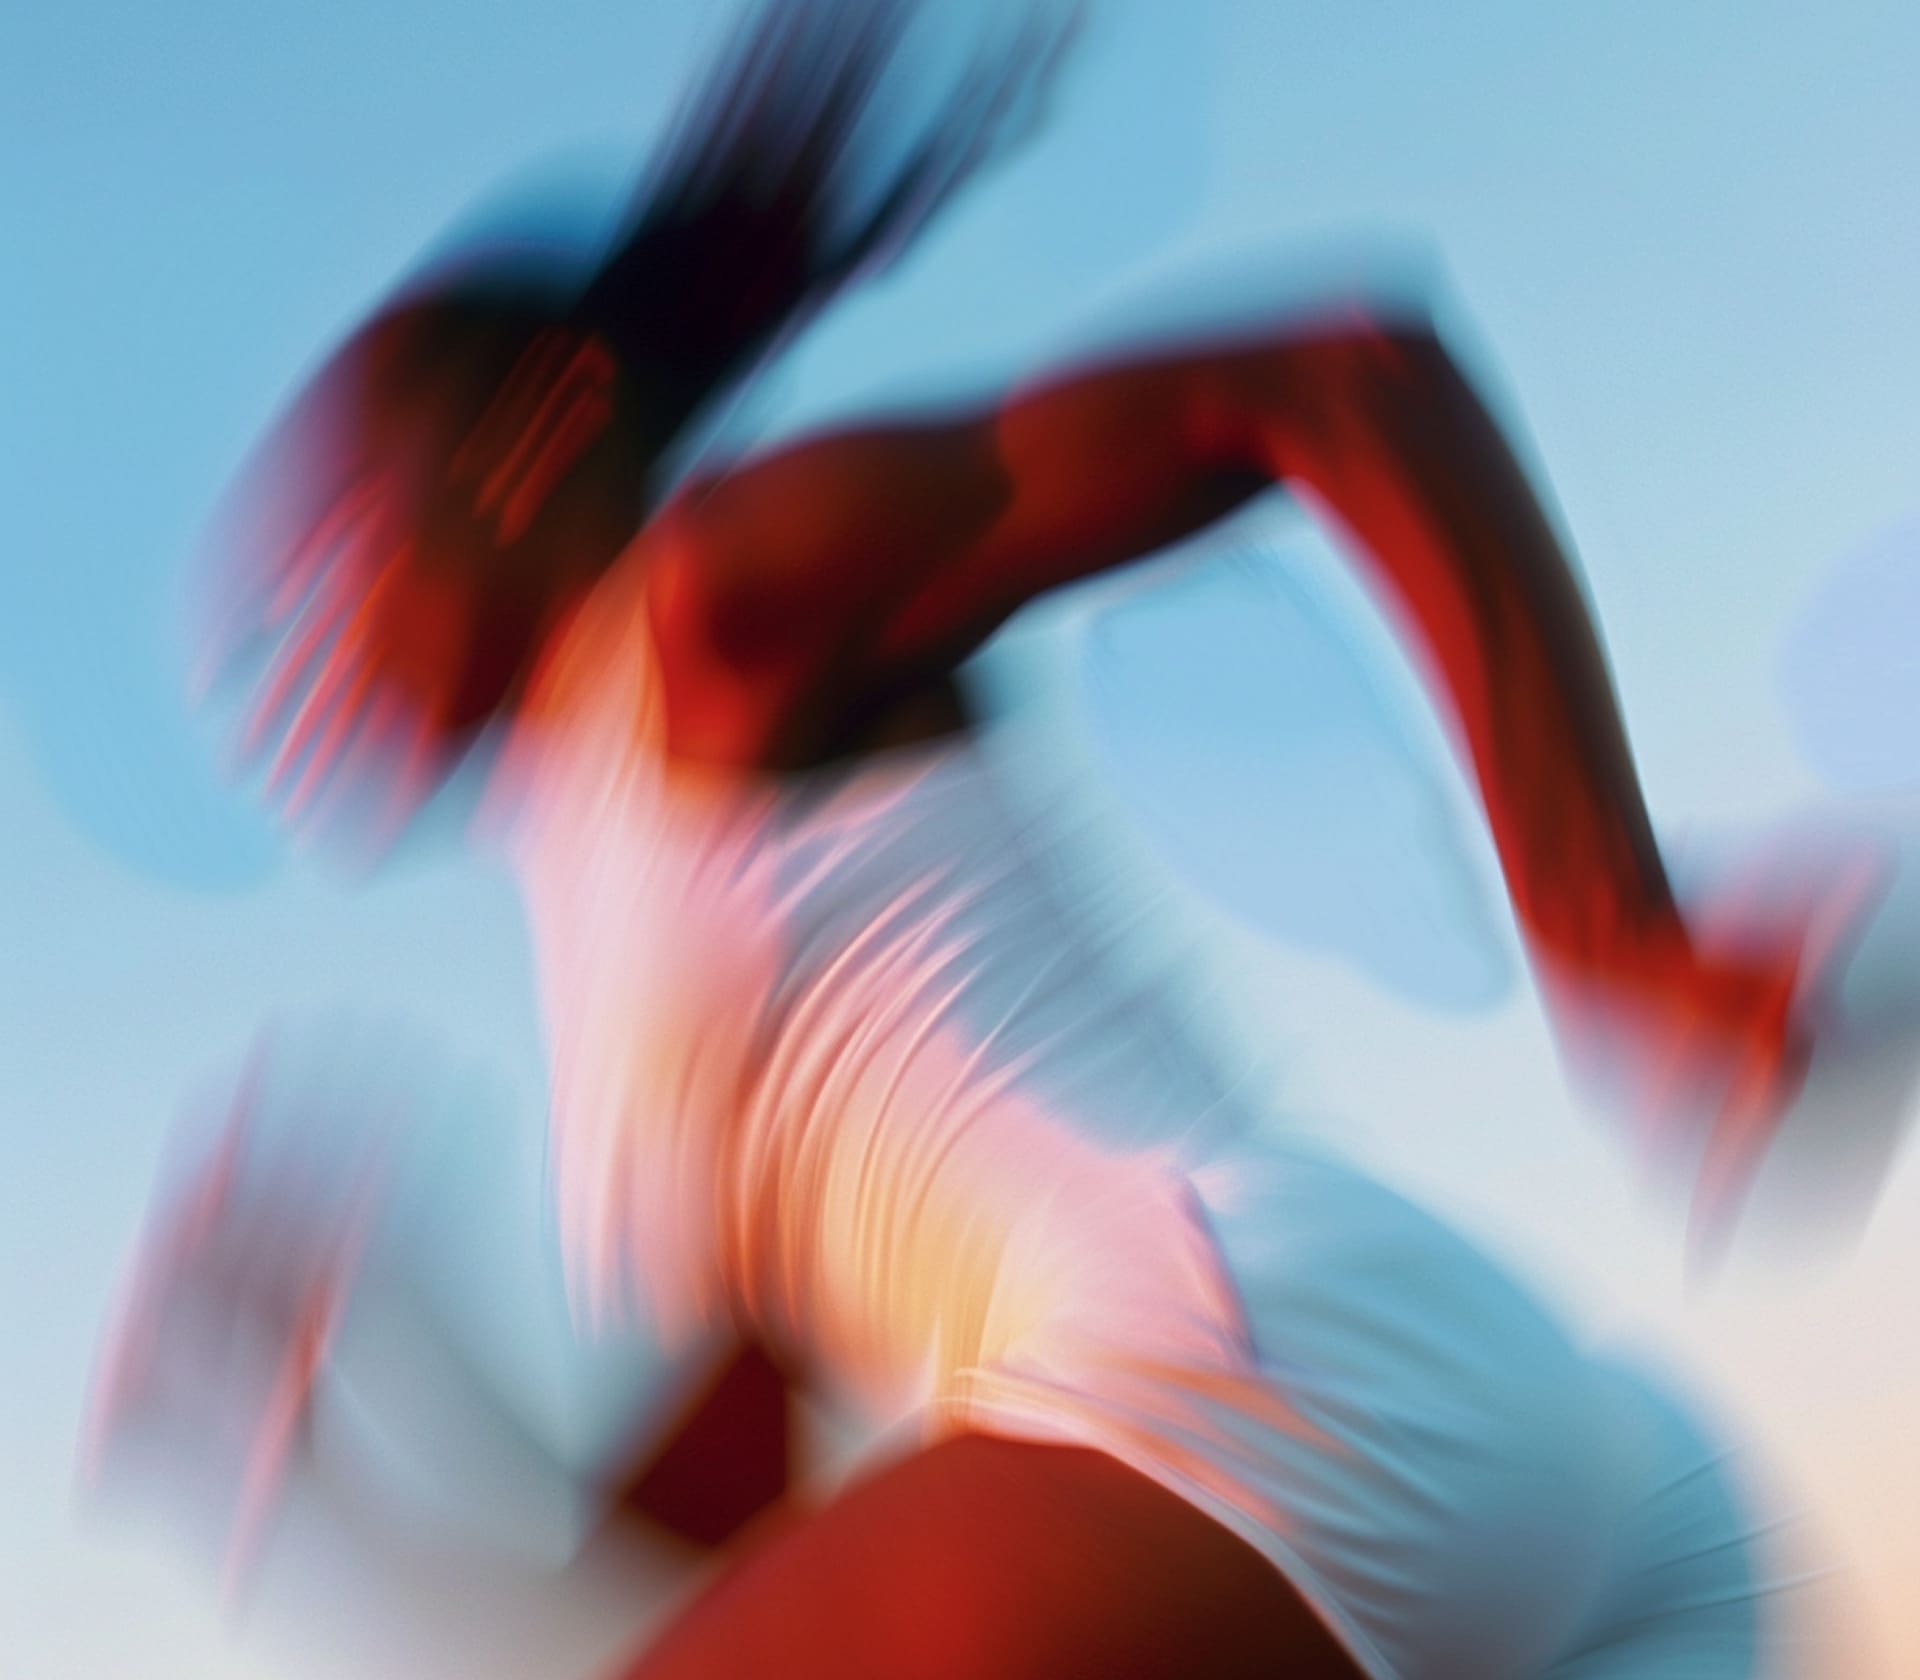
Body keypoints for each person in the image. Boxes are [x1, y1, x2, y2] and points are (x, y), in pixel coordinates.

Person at [95, 1, 1890, 1675]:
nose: (305, 639)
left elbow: (1340, 377)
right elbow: (720, 1542)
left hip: (1249, 1379)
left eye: (346, 543)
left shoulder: (709, 609)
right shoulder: (600, 915)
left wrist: (1613, 921)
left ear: (528, 449)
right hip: (1505, 1459)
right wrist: (355, 1445)